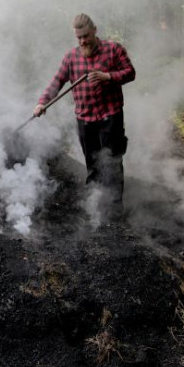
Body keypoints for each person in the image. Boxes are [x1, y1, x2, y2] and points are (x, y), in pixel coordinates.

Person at [34, 13, 135, 222]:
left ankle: (115, 215)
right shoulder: (71, 57)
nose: (82, 41)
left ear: (94, 30)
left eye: (86, 36)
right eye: (79, 38)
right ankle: (94, 208)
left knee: (112, 164)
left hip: (110, 117)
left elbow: (130, 73)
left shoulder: (113, 49)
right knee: (93, 165)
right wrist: (42, 102)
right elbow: (57, 82)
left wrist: (108, 76)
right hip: (85, 120)